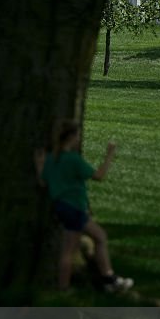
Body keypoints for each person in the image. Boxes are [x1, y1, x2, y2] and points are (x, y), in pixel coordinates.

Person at [35, 121, 133, 292]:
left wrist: (40, 165)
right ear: (71, 137)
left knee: (97, 238)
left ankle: (108, 279)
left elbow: (43, 182)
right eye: (78, 135)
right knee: (72, 249)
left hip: (64, 207)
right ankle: (67, 287)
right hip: (74, 209)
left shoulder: (52, 159)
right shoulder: (73, 159)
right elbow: (99, 176)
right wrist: (109, 154)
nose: (79, 139)